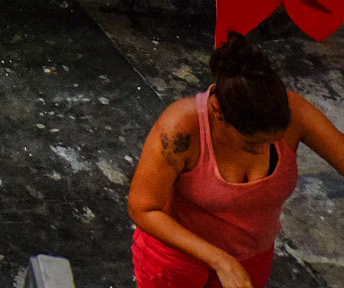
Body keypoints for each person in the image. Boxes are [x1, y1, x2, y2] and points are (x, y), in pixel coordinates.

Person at [129, 33, 344, 287]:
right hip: (177, 260)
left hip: (252, 256)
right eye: (251, 143)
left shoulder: (294, 111)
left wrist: (232, 264)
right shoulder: (181, 129)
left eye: (271, 141)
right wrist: (222, 261)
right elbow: (143, 208)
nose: (264, 149)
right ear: (218, 111)